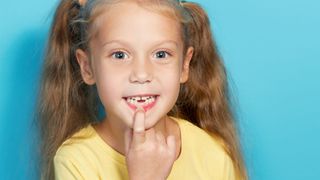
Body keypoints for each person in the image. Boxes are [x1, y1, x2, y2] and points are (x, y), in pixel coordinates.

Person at [38, 0, 247, 179]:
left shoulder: (213, 154)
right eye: (119, 55)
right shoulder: (76, 161)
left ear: (184, 65)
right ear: (87, 67)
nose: (141, 74)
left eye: (161, 54)